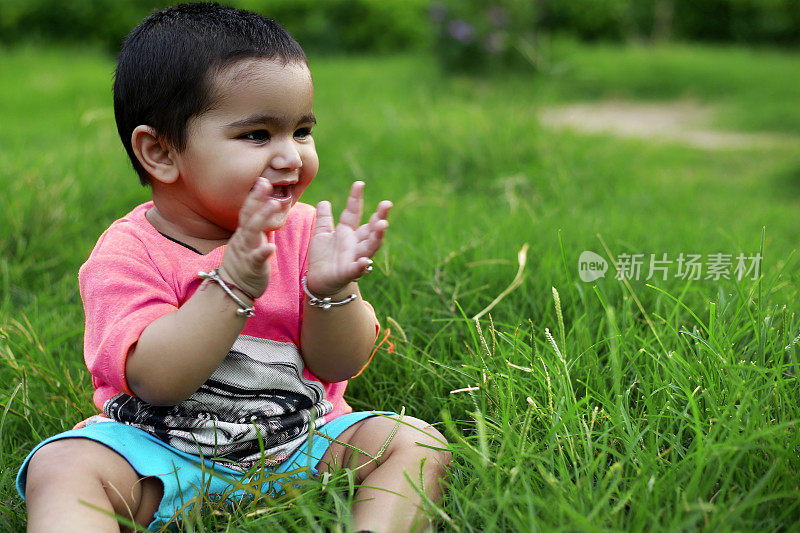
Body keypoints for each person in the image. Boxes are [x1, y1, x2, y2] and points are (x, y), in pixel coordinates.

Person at [16, 3, 451, 532]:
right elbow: (157, 381)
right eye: (257, 135)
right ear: (161, 153)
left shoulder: (304, 233)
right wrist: (234, 285)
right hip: (161, 454)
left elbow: (340, 364)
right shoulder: (129, 254)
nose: (290, 156)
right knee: (62, 465)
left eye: (302, 130)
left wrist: (331, 293)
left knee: (414, 441)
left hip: (299, 444)